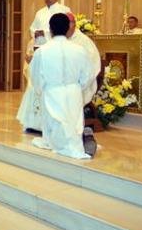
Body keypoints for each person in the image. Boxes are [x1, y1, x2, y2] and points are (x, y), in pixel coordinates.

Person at [30, 14, 92, 159]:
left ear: (50, 30)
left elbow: (36, 76)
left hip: (52, 91)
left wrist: (41, 89)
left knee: (54, 122)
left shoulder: (42, 51)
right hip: (73, 91)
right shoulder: (79, 50)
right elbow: (87, 75)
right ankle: (74, 144)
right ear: (68, 29)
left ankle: (54, 142)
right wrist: (76, 87)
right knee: (73, 121)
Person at [67, 13, 101, 105]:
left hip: (83, 83)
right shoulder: (62, 39)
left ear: (74, 24)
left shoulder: (84, 41)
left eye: (67, 24)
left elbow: (93, 65)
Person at [16, 38, 42, 132]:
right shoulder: (31, 42)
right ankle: (30, 123)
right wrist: (30, 59)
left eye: (40, 32)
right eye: (36, 32)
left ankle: (40, 126)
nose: (38, 35)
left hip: (44, 77)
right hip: (36, 75)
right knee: (31, 93)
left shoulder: (49, 43)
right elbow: (28, 55)